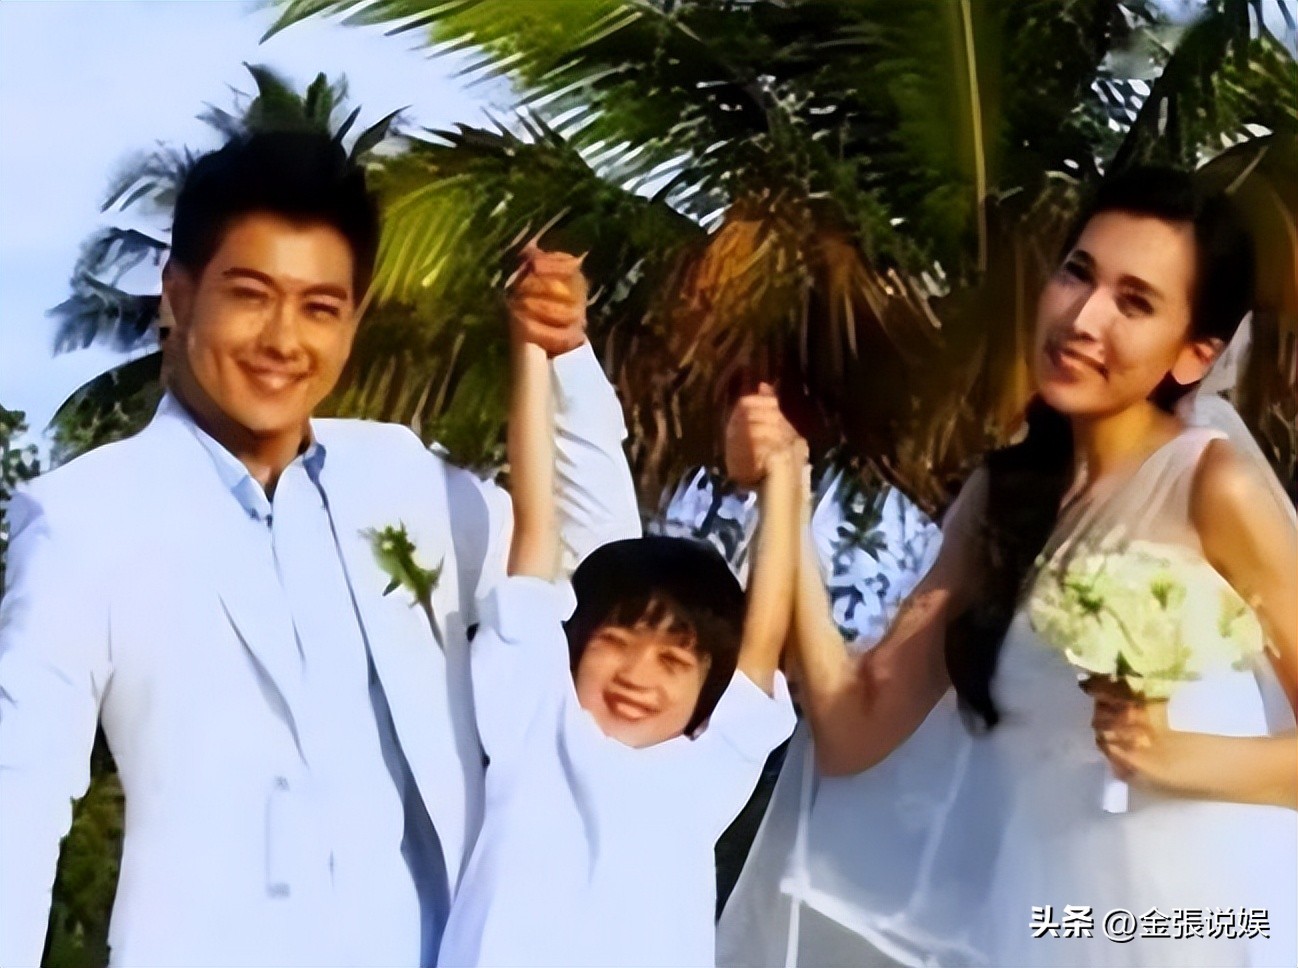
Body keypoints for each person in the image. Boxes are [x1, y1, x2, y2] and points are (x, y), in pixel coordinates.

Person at [0, 131, 640, 968]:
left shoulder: (403, 475)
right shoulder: (85, 519)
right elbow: (20, 794)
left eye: (319, 307)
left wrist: (568, 363)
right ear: (177, 295)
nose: (283, 340)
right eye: (250, 295)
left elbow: (601, 576)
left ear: (353, 319)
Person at [718, 168, 1297, 967]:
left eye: (1134, 303)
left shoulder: (1211, 486)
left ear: (1195, 354)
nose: (1084, 318)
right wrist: (787, 490)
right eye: (1078, 274)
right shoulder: (1000, 500)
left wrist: (1183, 756)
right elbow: (854, 729)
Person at [436, 284, 799, 967]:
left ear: (708, 690)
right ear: (573, 649)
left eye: (673, 661)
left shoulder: (707, 775)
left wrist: (783, 478)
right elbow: (537, 528)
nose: (637, 674)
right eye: (616, 642)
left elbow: (763, 637)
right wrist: (532, 349)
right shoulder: (534, 722)